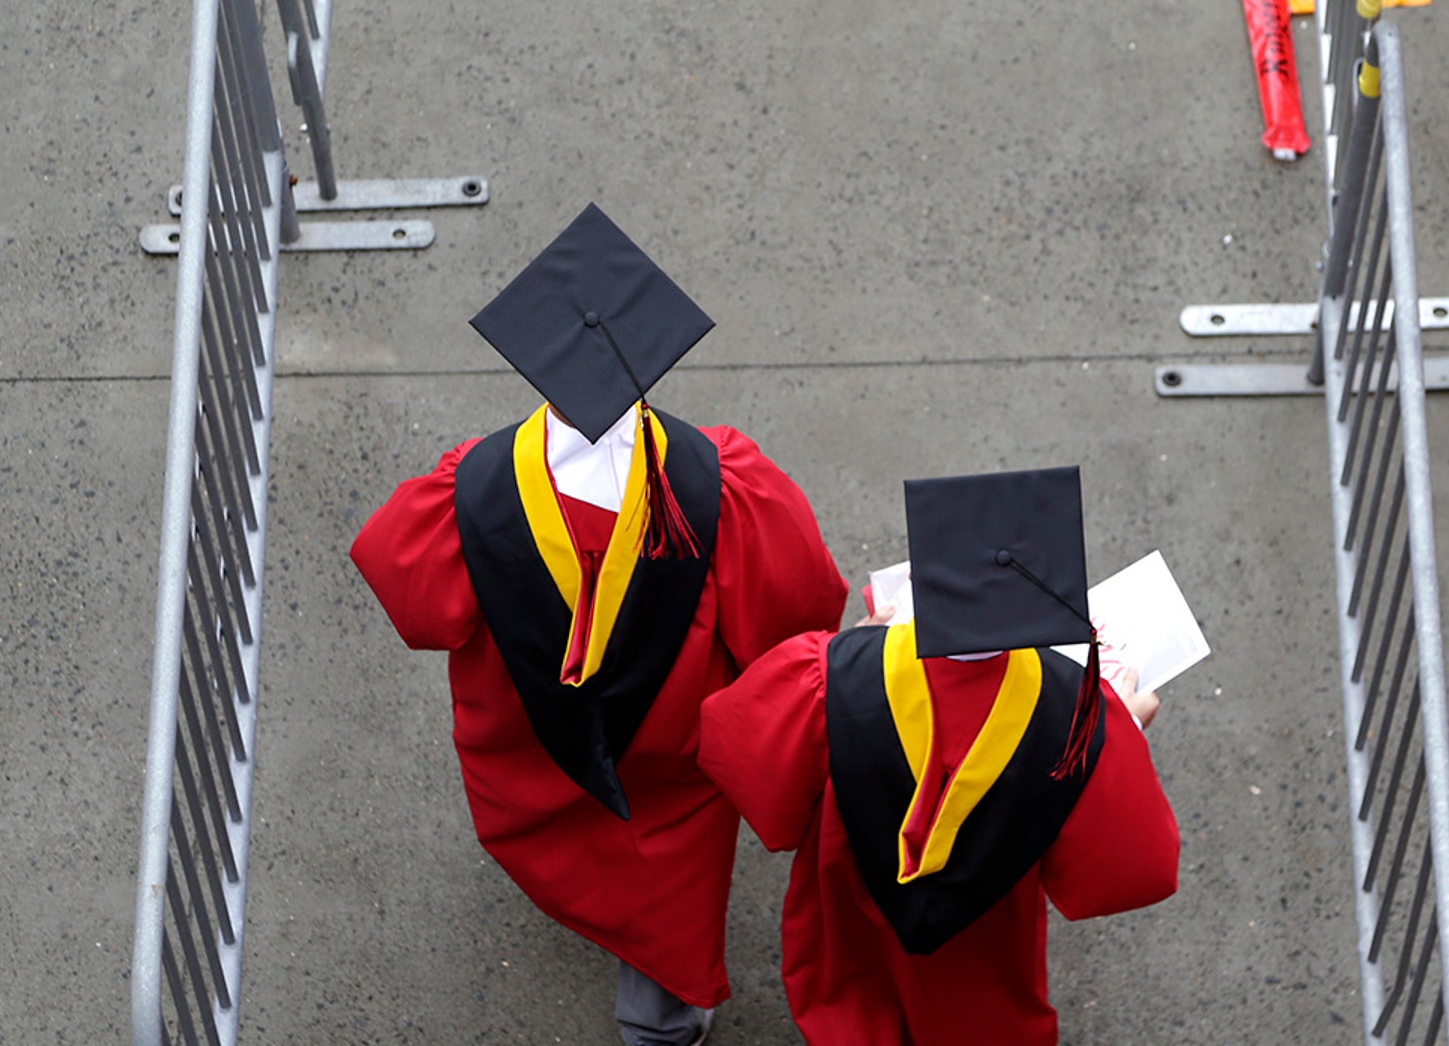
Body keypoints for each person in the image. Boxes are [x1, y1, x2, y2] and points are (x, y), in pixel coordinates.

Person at [350, 203, 847, 1046]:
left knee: (573, 846)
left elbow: (410, 596)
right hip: (673, 760)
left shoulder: (469, 489)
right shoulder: (722, 485)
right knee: (666, 892)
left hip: (529, 747)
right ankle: (658, 1024)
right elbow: (800, 612)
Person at [698, 466, 1181, 1045]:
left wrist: (857, 644)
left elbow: (735, 751)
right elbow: (1133, 870)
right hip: (985, 935)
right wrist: (1120, 726)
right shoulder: (1078, 716)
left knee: (852, 1002)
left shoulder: (830, 673)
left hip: (847, 901)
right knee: (974, 1013)